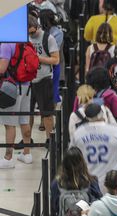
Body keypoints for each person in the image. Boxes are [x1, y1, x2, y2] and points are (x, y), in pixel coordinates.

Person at [71, 103, 117, 193]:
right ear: (101, 114)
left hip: (87, 185)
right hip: (112, 185)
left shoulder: (78, 134)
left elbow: (72, 159)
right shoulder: (116, 132)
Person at [0, 44, 33, 168]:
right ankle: (27, 154)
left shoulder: (6, 45)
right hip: (27, 85)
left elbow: (2, 68)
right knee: (24, 120)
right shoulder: (24, 43)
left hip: (11, 87)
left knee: (9, 124)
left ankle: (8, 159)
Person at [28, 15, 60, 143]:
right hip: (27, 79)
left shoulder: (48, 38)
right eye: (28, 33)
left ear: (37, 26)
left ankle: (49, 139)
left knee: (47, 113)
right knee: (27, 113)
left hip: (44, 79)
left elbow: (56, 60)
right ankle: (26, 140)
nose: (31, 35)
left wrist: (37, 58)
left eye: (33, 32)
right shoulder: (25, 38)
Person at [39, 9, 63, 105]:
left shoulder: (57, 32)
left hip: (52, 64)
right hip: (41, 64)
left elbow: (54, 50)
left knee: (53, 89)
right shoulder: (39, 31)